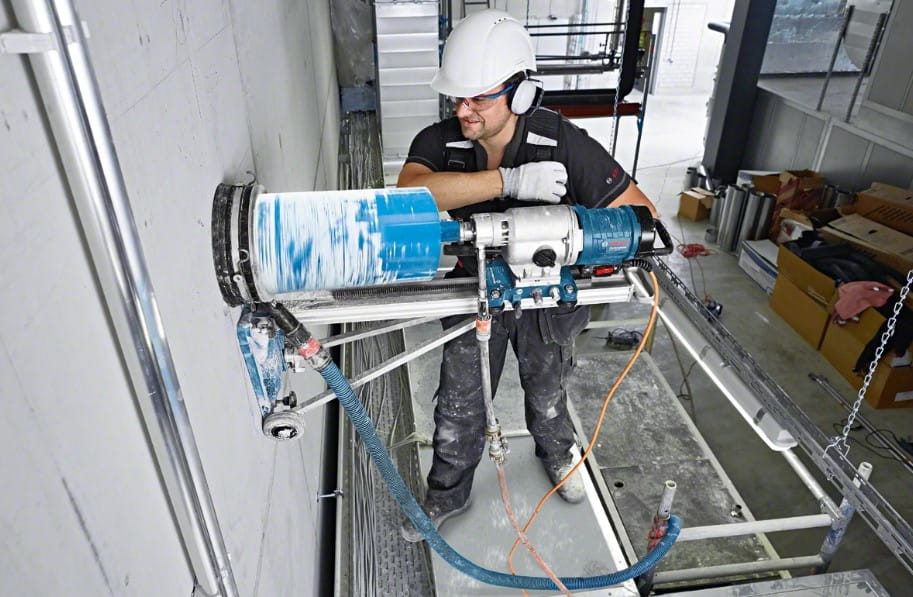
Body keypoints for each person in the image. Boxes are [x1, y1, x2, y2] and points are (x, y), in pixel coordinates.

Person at [398, 9, 656, 543]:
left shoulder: (563, 143)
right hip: (474, 290)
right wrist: (507, 180)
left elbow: (640, 214)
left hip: (548, 295)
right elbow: (411, 194)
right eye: (457, 98)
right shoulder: (443, 141)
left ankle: (558, 455)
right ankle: (447, 492)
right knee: (460, 402)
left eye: (478, 98)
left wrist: (579, 232)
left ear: (519, 94)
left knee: (548, 389)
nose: (462, 110)